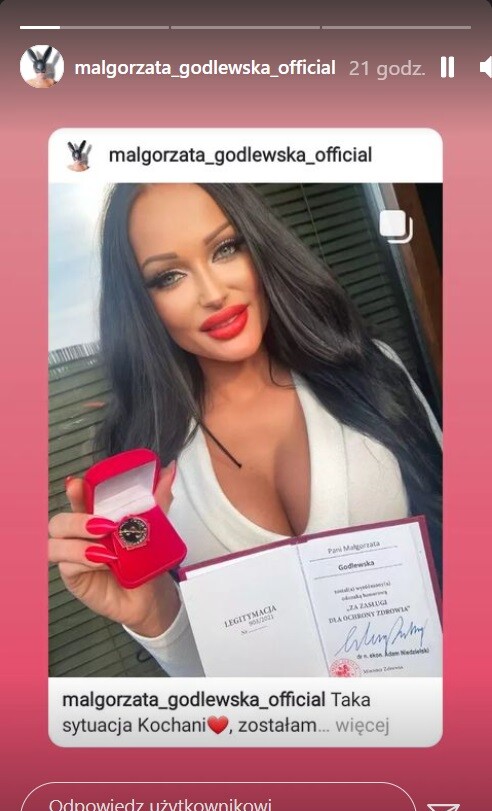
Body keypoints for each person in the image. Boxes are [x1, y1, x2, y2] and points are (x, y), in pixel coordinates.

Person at [48, 183, 442, 676]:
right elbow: (219, 693)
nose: (213, 293)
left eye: (225, 248)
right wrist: (156, 618)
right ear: (142, 305)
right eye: (169, 277)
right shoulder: (143, 469)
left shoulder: (370, 372)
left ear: (258, 244)